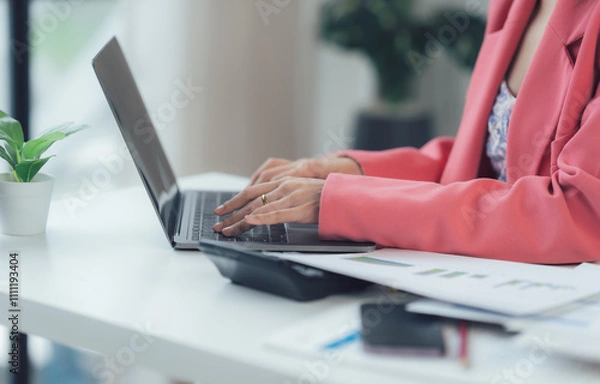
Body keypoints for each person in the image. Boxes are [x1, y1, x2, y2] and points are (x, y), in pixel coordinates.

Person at [213, 0, 600, 264]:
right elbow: (488, 166)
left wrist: (347, 203)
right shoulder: (515, 6)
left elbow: (577, 210)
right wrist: (346, 172)